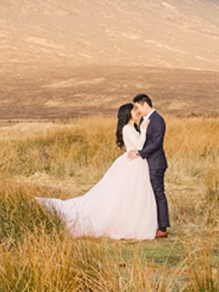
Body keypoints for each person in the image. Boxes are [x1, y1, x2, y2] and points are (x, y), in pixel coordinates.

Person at [35, 103, 158, 240]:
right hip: (133, 163)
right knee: (125, 193)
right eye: (133, 109)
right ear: (127, 113)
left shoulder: (132, 128)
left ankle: (131, 223)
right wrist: (144, 130)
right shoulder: (127, 129)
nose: (137, 111)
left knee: (133, 194)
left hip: (137, 163)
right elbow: (140, 146)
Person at [126, 93, 169, 238]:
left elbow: (156, 143)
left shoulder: (157, 120)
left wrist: (139, 153)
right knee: (148, 195)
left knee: (158, 193)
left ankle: (162, 228)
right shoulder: (142, 120)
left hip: (156, 163)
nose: (136, 111)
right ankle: (151, 224)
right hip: (144, 164)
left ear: (145, 104)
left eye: (137, 107)